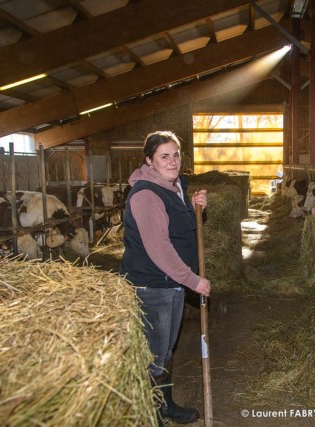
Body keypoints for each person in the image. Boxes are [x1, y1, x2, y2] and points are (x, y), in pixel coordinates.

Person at [120, 130, 210, 425]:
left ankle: (165, 405)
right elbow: (159, 248)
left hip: (171, 285)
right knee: (152, 358)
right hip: (152, 287)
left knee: (165, 351)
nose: (172, 162)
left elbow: (177, 226)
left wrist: (194, 205)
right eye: (164, 156)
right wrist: (193, 280)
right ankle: (150, 415)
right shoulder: (147, 194)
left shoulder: (173, 186)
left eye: (176, 155)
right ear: (149, 160)